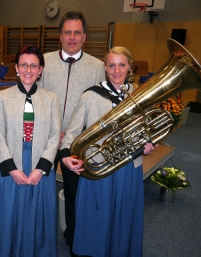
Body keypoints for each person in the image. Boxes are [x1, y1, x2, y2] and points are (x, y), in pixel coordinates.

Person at [60, 47, 157, 256]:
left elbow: (146, 129)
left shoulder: (138, 94)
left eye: (122, 65)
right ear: (105, 67)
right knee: (97, 217)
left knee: (123, 216)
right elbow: (72, 131)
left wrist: (148, 143)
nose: (116, 70)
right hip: (100, 167)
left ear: (129, 66)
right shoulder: (90, 95)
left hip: (129, 167)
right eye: (111, 65)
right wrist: (65, 156)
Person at [38, 11, 105, 255]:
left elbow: (98, 109)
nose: (72, 37)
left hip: (78, 144)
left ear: (85, 36)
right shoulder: (43, 62)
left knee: (76, 195)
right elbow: (37, 101)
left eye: (77, 32)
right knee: (39, 192)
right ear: (60, 36)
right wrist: (54, 134)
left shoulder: (98, 68)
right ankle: (40, 239)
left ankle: (74, 240)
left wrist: (74, 137)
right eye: (67, 32)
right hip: (47, 140)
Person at [0, 44, 61, 257]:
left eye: (33, 66)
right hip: (11, 166)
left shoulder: (51, 98)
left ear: (40, 70)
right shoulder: (3, 97)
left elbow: (55, 135)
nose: (28, 70)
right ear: (16, 68)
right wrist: (11, 169)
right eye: (24, 65)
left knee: (37, 217)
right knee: (10, 215)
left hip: (40, 166)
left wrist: (42, 168)